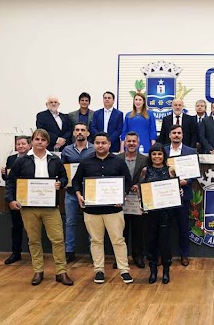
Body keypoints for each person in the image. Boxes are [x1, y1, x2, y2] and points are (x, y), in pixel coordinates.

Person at [5, 129, 73, 286]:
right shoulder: (22, 161)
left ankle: (61, 272)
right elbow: (10, 181)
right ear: (32, 142)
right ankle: (38, 271)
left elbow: (64, 177)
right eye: (37, 139)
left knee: (58, 239)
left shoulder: (55, 160)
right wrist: (10, 199)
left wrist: (60, 183)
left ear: (47, 143)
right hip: (29, 208)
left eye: (43, 140)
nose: (40, 142)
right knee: (34, 240)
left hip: (50, 207)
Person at [72, 132, 134, 284]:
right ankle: (99, 270)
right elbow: (75, 182)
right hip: (92, 210)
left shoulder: (118, 161)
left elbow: (128, 182)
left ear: (109, 144)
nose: (100, 146)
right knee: (96, 241)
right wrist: (79, 194)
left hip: (114, 210)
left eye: (103, 143)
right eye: (98, 143)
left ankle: (124, 270)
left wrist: (123, 195)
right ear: (94, 144)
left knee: (118, 240)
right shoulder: (85, 162)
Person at [142, 143, 181, 284]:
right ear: (150, 156)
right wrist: (142, 202)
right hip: (150, 213)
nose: (157, 157)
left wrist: (179, 192)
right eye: (154, 154)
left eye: (159, 154)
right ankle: (152, 270)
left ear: (164, 155)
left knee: (165, 242)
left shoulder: (171, 170)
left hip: (166, 213)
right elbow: (142, 190)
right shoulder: (145, 171)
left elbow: (175, 189)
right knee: (150, 241)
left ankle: (166, 270)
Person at [60, 122, 95, 262]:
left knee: (92, 223)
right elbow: (62, 171)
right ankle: (69, 251)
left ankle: (94, 251)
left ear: (88, 133)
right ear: (74, 133)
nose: (80, 132)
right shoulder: (66, 150)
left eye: (83, 130)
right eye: (77, 130)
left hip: (90, 192)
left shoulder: (94, 149)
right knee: (70, 222)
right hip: (71, 192)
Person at [164, 124, 197, 266]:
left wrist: (186, 181)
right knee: (165, 227)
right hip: (165, 195)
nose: (176, 135)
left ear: (182, 135)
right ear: (169, 135)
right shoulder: (163, 150)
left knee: (183, 227)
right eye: (174, 133)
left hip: (183, 194)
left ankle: (184, 255)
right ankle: (164, 255)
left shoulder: (190, 151)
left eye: (179, 133)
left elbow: (194, 173)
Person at [119, 131, 149, 268]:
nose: (131, 144)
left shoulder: (145, 159)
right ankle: (121, 258)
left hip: (137, 200)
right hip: (121, 199)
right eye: (129, 141)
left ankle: (138, 257)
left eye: (134, 141)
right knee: (121, 230)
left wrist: (139, 185)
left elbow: (148, 177)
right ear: (125, 143)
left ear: (138, 143)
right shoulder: (117, 158)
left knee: (138, 230)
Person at [2, 135, 31, 265]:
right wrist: (4, 174)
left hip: (31, 197)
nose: (20, 146)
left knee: (32, 227)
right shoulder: (11, 159)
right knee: (16, 226)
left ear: (29, 145)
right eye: (18, 144)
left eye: (23, 144)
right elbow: (9, 179)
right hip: (15, 198)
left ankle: (34, 253)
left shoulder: (33, 158)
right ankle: (16, 253)